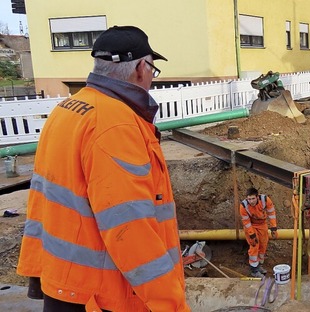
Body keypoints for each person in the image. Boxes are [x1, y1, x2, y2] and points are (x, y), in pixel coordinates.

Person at [16, 26, 190, 311]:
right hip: (102, 296)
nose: (151, 77)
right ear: (140, 69)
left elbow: (45, 201)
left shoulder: (68, 109)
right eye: (153, 69)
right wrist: (171, 305)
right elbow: (130, 230)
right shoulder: (116, 125)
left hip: (64, 283)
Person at [240, 187, 278, 278]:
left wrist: (273, 227)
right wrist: (251, 234)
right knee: (254, 246)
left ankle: (259, 265)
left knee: (263, 244)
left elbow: (271, 213)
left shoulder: (265, 200)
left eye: (253, 198)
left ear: (257, 197)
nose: (251, 201)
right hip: (251, 226)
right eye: (249, 199)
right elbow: (246, 222)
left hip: (262, 224)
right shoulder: (243, 206)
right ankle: (254, 270)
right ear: (246, 198)